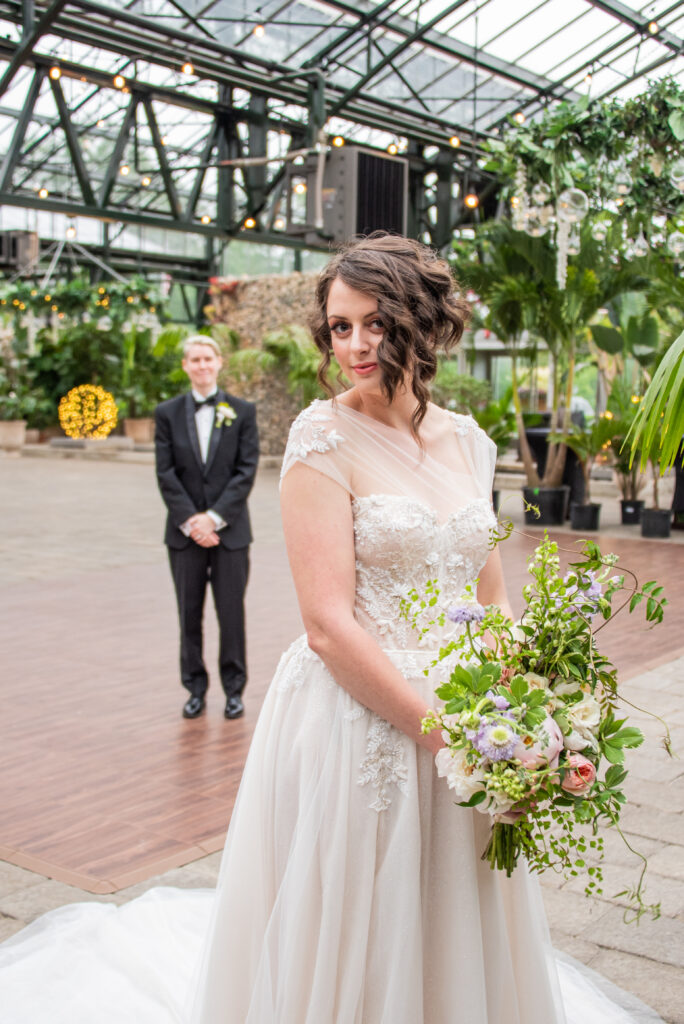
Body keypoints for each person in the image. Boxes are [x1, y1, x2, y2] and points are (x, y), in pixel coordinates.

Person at [0, 237, 661, 1024]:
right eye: (339, 326)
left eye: (374, 324)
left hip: (474, 722)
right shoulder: (321, 438)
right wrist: (446, 737)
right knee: (359, 927)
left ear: (422, 322)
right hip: (364, 723)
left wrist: (528, 722)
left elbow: (492, 599)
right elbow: (325, 625)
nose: (353, 345)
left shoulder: (472, 443)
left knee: (451, 917)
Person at [154, 334, 259, 720]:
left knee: (231, 613)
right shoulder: (166, 413)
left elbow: (246, 471)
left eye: (207, 359)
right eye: (194, 360)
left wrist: (213, 519)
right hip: (183, 537)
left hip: (230, 534)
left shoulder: (242, 411)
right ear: (185, 366)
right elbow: (165, 473)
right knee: (189, 613)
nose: (201, 365)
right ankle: (194, 688)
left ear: (219, 363)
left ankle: (235, 690)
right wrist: (191, 522)